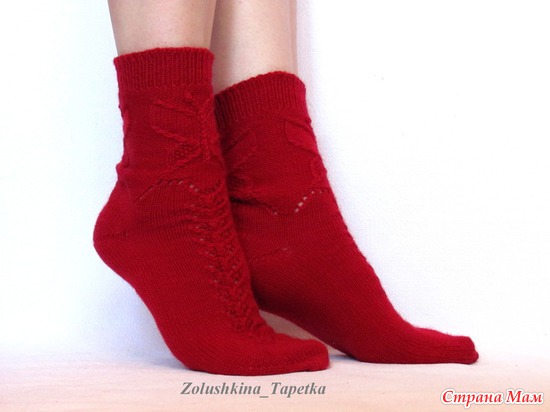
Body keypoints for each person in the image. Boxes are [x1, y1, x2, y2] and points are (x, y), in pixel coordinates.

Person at [94, 0, 478, 376]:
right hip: (166, 209)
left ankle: (280, 204)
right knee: (175, 157)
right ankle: (165, 195)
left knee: (273, 162)